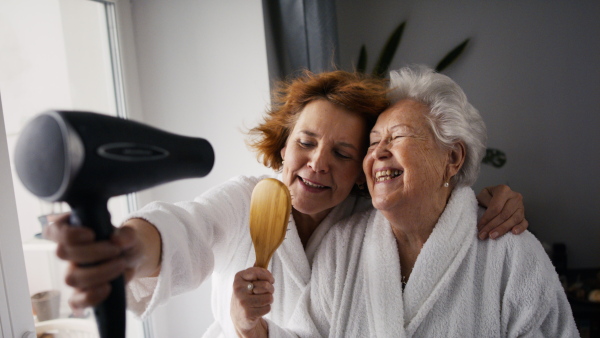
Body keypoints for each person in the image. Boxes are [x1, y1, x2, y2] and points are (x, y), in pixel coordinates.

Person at [45, 70, 527, 338]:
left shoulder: (366, 225)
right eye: (306, 142)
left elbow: (431, 210)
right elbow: (185, 229)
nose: (318, 164)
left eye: (342, 154)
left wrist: (483, 200)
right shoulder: (246, 201)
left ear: (362, 170)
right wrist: (124, 249)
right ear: (281, 145)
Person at [231, 66, 577, 337]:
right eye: (372, 141)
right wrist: (250, 327)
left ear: (452, 158)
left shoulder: (511, 255)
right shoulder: (343, 245)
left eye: (397, 137)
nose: (379, 153)